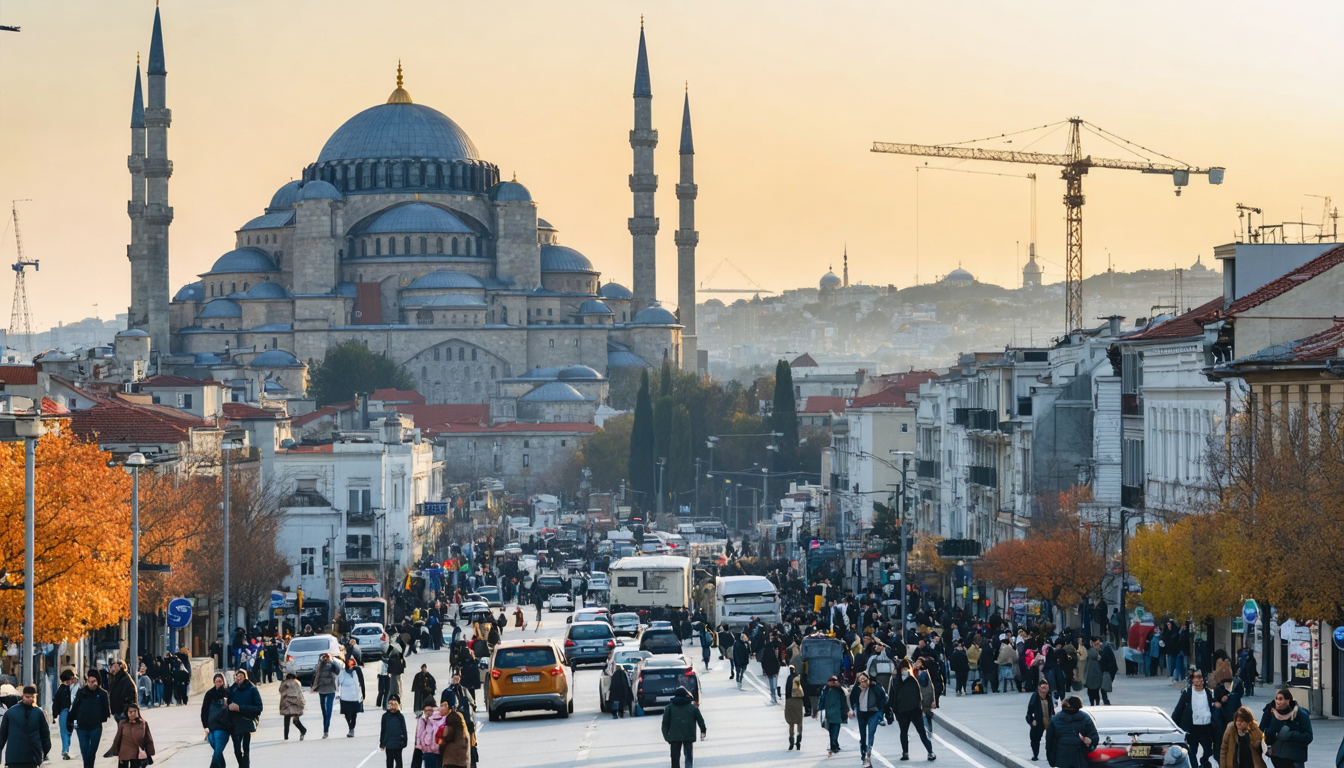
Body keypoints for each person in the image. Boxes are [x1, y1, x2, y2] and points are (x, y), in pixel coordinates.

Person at [1174, 670, 1220, 768]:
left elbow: (1213, 704)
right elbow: (1179, 709)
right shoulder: (1187, 693)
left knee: (1208, 750)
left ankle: (1204, 761)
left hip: (1206, 727)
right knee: (1192, 750)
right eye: (1195, 680)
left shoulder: (1208, 693)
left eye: (1200, 679)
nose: (1198, 682)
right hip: (1193, 727)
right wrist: (1173, 725)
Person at [892, 659, 935, 761]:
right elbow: (919, 695)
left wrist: (895, 710)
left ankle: (905, 753)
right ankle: (930, 752)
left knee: (903, 732)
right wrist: (920, 707)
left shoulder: (895, 680)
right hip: (914, 710)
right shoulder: (913, 679)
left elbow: (892, 696)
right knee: (921, 732)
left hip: (902, 711)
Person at [1259, 689, 1312, 768]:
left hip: (1295, 758)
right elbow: (1259, 732)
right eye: (1276, 699)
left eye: (1281, 699)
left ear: (1288, 700)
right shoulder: (1270, 712)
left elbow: (1308, 736)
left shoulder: (1300, 714)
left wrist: (1290, 735)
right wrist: (1266, 747)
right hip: (1277, 757)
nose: (1278, 702)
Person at [0, 685, 50, 768]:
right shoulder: (37, 713)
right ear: (22, 696)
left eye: (32, 697)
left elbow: (45, 735)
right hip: (26, 757)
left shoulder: (10, 713)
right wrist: (43, 752)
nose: (30, 699)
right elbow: (2, 737)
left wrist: (43, 753)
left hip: (20, 757)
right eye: (28, 696)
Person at [68, 672, 110, 768]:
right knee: (85, 752)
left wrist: (99, 718)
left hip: (96, 727)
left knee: (92, 752)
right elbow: (75, 707)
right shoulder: (81, 692)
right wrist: (71, 721)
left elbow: (106, 711)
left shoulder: (102, 694)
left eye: (93, 681)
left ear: (97, 681)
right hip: (82, 728)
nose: (91, 683)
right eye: (89, 681)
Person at [661, 686, 706, 768]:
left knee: (675, 759)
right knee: (688, 757)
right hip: (688, 735)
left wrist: (666, 737)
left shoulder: (669, 708)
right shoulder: (693, 708)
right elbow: (700, 721)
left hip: (674, 737)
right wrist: (703, 731)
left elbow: (665, 723)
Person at [1046, 696, 1098, 768]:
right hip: (1079, 756)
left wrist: (1051, 759)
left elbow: (1049, 741)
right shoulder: (1085, 717)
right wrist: (1090, 741)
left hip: (1061, 756)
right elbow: (1094, 736)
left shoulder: (1056, 719)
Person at [850, 672, 888, 767]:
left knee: (871, 734)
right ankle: (863, 755)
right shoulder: (856, 689)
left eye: (865, 681)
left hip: (873, 712)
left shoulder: (875, 687)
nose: (863, 683)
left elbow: (883, 697)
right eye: (861, 682)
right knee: (863, 736)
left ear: (869, 679)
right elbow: (851, 699)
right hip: (861, 714)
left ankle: (868, 755)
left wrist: (881, 710)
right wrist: (852, 710)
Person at [227, 668, 262, 768]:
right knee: (237, 750)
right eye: (237, 676)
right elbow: (227, 701)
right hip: (234, 723)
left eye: (241, 676)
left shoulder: (252, 689)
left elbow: (259, 707)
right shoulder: (232, 689)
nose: (239, 679)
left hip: (247, 721)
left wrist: (240, 708)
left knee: (246, 749)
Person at [108, 704, 153, 768]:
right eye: (130, 712)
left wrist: (150, 752)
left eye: (135, 711)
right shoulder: (123, 723)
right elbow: (118, 738)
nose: (133, 714)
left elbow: (148, 738)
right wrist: (116, 751)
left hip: (137, 753)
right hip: (124, 752)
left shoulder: (143, 723)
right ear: (127, 713)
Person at [310, 652, 342, 738]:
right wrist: (321, 661)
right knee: (324, 711)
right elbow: (316, 673)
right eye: (324, 657)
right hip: (321, 689)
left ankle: (326, 730)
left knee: (329, 710)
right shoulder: (320, 665)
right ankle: (325, 728)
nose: (325, 658)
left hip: (331, 689)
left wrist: (332, 661)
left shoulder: (333, 665)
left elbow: (338, 670)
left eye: (327, 657)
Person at [816, 675, 849, 757]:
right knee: (833, 729)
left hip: (836, 712)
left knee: (834, 730)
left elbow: (844, 702)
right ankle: (834, 743)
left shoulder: (834, 690)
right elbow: (822, 701)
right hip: (831, 713)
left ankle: (834, 743)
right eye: (832, 681)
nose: (833, 683)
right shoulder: (827, 690)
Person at [435, 700, 471, 768]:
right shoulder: (465, 731)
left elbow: (446, 738)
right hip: (463, 762)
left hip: (450, 761)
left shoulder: (450, 727)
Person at [1026, 680, 1055, 762]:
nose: (1045, 689)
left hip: (1048, 720)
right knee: (1035, 739)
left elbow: (1051, 707)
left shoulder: (1049, 695)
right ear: (1039, 688)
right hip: (1038, 721)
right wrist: (1032, 721)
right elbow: (1029, 712)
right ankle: (1035, 755)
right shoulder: (1035, 697)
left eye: (1046, 687)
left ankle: (1049, 756)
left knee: (1050, 739)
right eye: (1043, 687)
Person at [338, 656, 367, 738]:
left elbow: (362, 682)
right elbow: (339, 682)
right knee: (346, 713)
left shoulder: (357, 671)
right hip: (345, 696)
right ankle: (350, 726)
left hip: (355, 696)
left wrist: (363, 694)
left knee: (354, 713)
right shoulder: (343, 672)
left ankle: (352, 728)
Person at [783, 663, 810, 751]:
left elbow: (787, 690)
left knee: (791, 722)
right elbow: (804, 693)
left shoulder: (789, 678)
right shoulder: (800, 679)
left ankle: (791, 740)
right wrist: (807, 707)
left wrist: (787, 702)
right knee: (799, 721)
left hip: (790, 701)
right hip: (798, 701)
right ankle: (799, 739)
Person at [53, 669, 78, 761]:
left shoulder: (68, 689)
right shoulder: (63, 689)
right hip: (65, 712)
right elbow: (56, 702)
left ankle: (66, 750)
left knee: (67, 732)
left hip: (66, 713)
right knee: (66, 732)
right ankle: (65, 750)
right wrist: (55, 714)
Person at [380, 695, 409, 768]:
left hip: (398, 744)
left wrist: (405, 741)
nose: (392, 707)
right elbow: (383, 730)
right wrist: (382, 742)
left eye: (394, 704)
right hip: (389, 743)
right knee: (389, 762)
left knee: (399, 762)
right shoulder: (385, 716)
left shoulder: (400, 717)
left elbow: (404, 730)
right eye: (390, 704)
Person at [414, 702, 445, 768]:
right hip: (439, 750)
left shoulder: (425, 717)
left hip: (428, 750)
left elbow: (420, 733)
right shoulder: (442, 715)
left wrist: (421, 745)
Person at [279, 672, 307, 741]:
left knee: (286, 720)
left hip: (286, 703)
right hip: (296, 703)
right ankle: (303, 730)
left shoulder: (284, 683)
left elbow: (280, 690)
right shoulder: (297, 683)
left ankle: (286, 736)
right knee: (295, 720)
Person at [759, 636, 783, 705]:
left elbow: (763, 663)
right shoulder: (773, 655)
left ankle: (773, 697)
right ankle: (774, 697)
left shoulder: (765, 655)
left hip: (769, 672)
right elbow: (778, 662)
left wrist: (765, 670)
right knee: (774, 684)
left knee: (771, 684)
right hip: (775, 671)